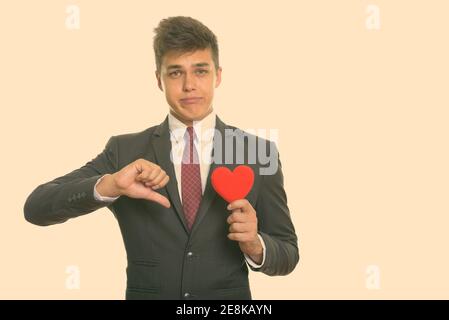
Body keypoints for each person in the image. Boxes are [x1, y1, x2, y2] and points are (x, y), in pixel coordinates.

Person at [24, 16, 299, 300]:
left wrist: (256, 246)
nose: (190, 85)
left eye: (201, 71)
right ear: (159, 79)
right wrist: (109, 185)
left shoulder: (257, 151)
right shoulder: (124, 152)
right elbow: (36, 208)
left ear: (218, 75)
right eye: (176, 73)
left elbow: (288, 253)